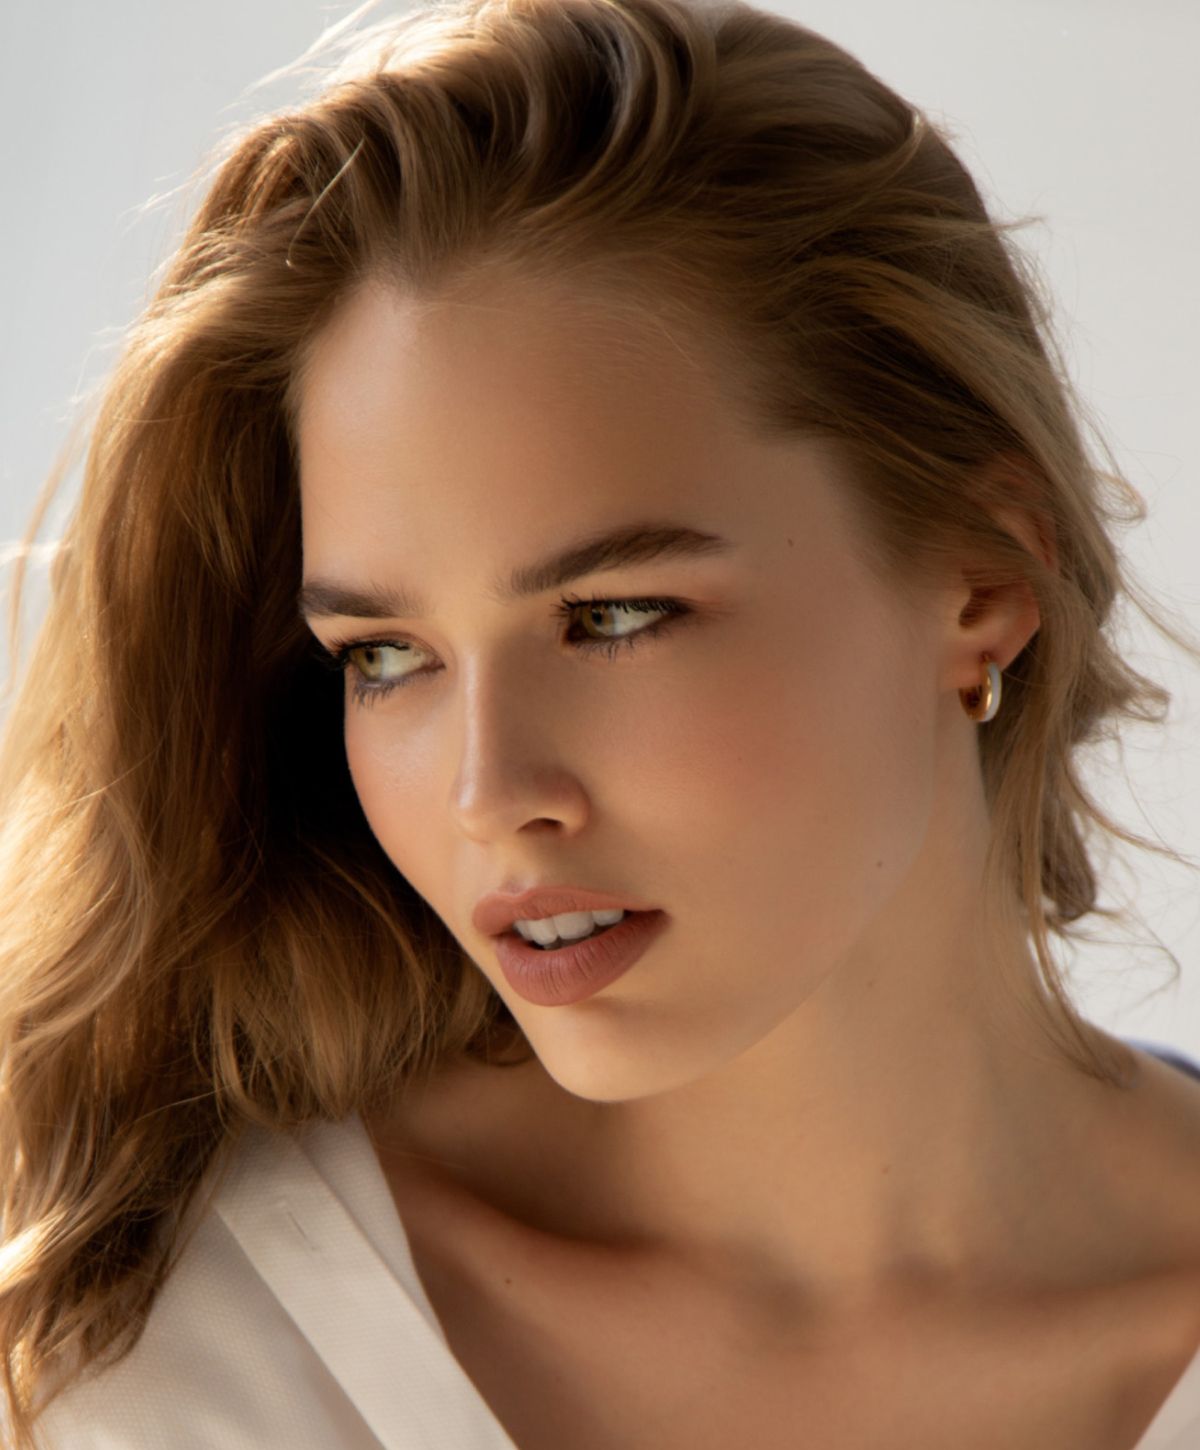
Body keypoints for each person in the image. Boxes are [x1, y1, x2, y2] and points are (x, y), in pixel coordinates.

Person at [2, 0, 1199, 1445]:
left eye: (614, 616)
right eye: (385, 655)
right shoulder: (139, 1354)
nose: (489, 792)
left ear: (984, 576)